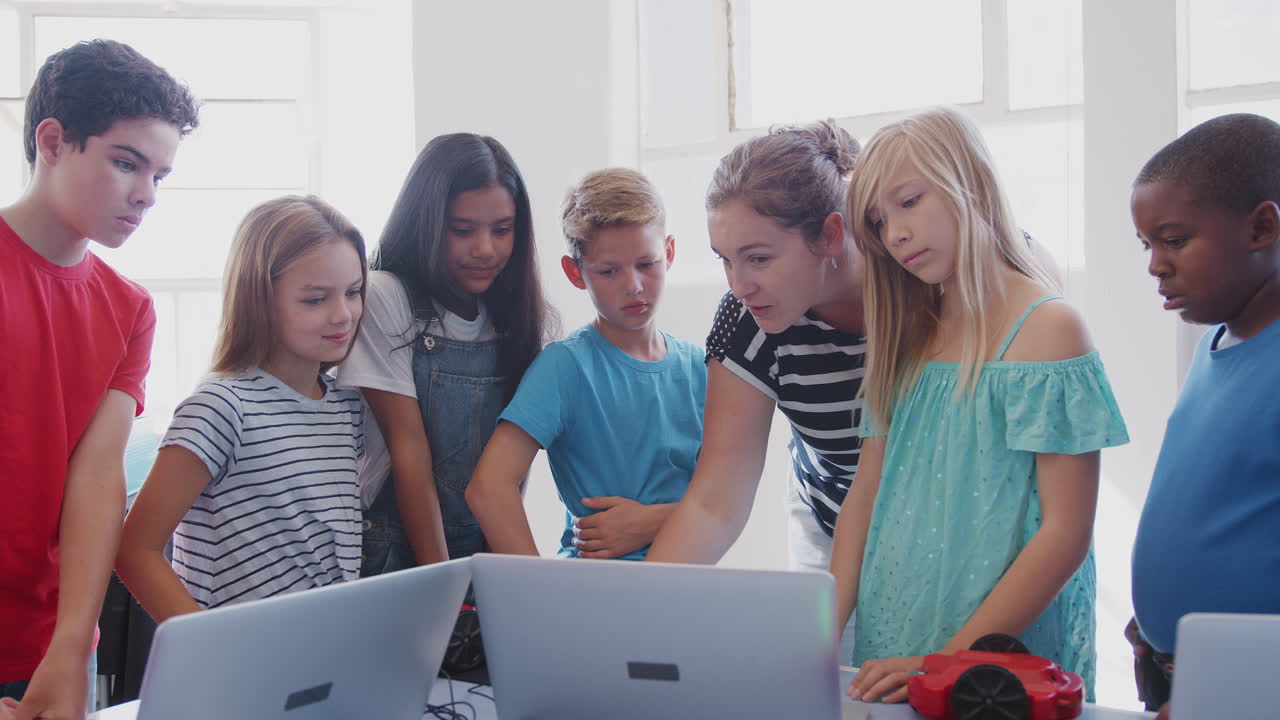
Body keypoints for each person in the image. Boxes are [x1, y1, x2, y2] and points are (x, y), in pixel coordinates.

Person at [835, 106, 1127, 703]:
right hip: (893, 639)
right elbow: (864, 494)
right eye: (879, 220)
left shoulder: (1048, 329)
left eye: (909, 201)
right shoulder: (907, 333)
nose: (894, 234)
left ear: (969, 180)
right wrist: (813, 634)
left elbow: (1065, 532)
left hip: (992, 661)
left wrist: (948, 663)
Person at [0, 39, 197, 717]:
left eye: (160, 176)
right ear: (52, 142)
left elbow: (95, 477)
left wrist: (71, 640)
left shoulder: (129, 308)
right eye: (125, 163)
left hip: (51, 645)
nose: (145, 195)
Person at [645, 121, 866, 655]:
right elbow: (716, 499)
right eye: (724, 258)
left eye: (758, 257)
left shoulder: (916, 280)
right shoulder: (744, 321)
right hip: (830, 519)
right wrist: (637, 615)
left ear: (830, 235)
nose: (738, 284)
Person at [115, 196, 367, 622]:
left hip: (319, 656)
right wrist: (210, 646)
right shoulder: (221, 407)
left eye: (354, 292)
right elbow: (135, 549)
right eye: (314, 299)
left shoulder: (348, 408)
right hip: (233, 670)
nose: (343, 314)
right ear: (259, 299)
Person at [336, 133, 554, 572]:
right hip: (393, 554)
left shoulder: (519, 319)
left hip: (481, 552)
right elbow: (408, 449)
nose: (485, 249)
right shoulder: (385, 296)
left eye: (502, 230)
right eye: (462, 230)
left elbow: (509, 474)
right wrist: (442, 583)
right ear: (426, 222)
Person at [466, 168, 706, 560]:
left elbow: (724, 500)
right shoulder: (566, 367)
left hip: (686, 591)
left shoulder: (700, 368)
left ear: (671, 253)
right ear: (575, 273)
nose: (633, 286)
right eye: (609, 271)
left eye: (646, 263)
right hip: (591, 591)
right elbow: (489, 487)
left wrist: (652, 520)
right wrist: (538, 591)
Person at [1127, 113, 1280, 720]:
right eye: (1148, 245)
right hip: (1174, 675)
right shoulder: (1214, 344)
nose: (1155, 265)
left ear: (1262, 227)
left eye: (1174, 239)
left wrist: (1233, 691)